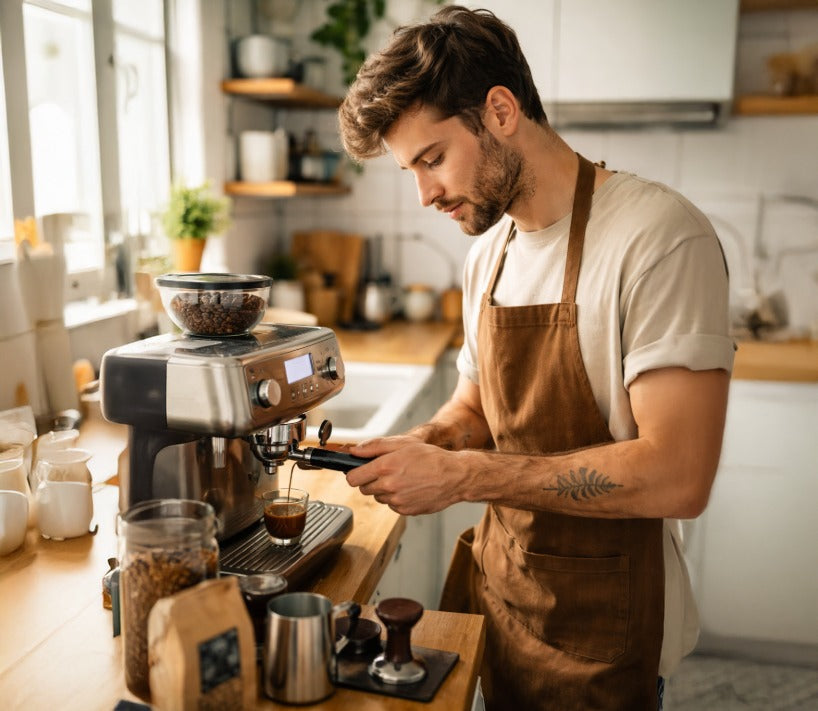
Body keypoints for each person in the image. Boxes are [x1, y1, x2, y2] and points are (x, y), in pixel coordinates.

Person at [337, 6, 735, 710]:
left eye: (432, 159)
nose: (425, 193)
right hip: (505, 603)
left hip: (610, 632)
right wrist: (421, 445)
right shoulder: (488, 255)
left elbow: (678, 475)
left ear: (500, 110)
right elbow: (477, 407)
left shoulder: (658, 236)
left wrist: (462, 476)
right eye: (411, 171)